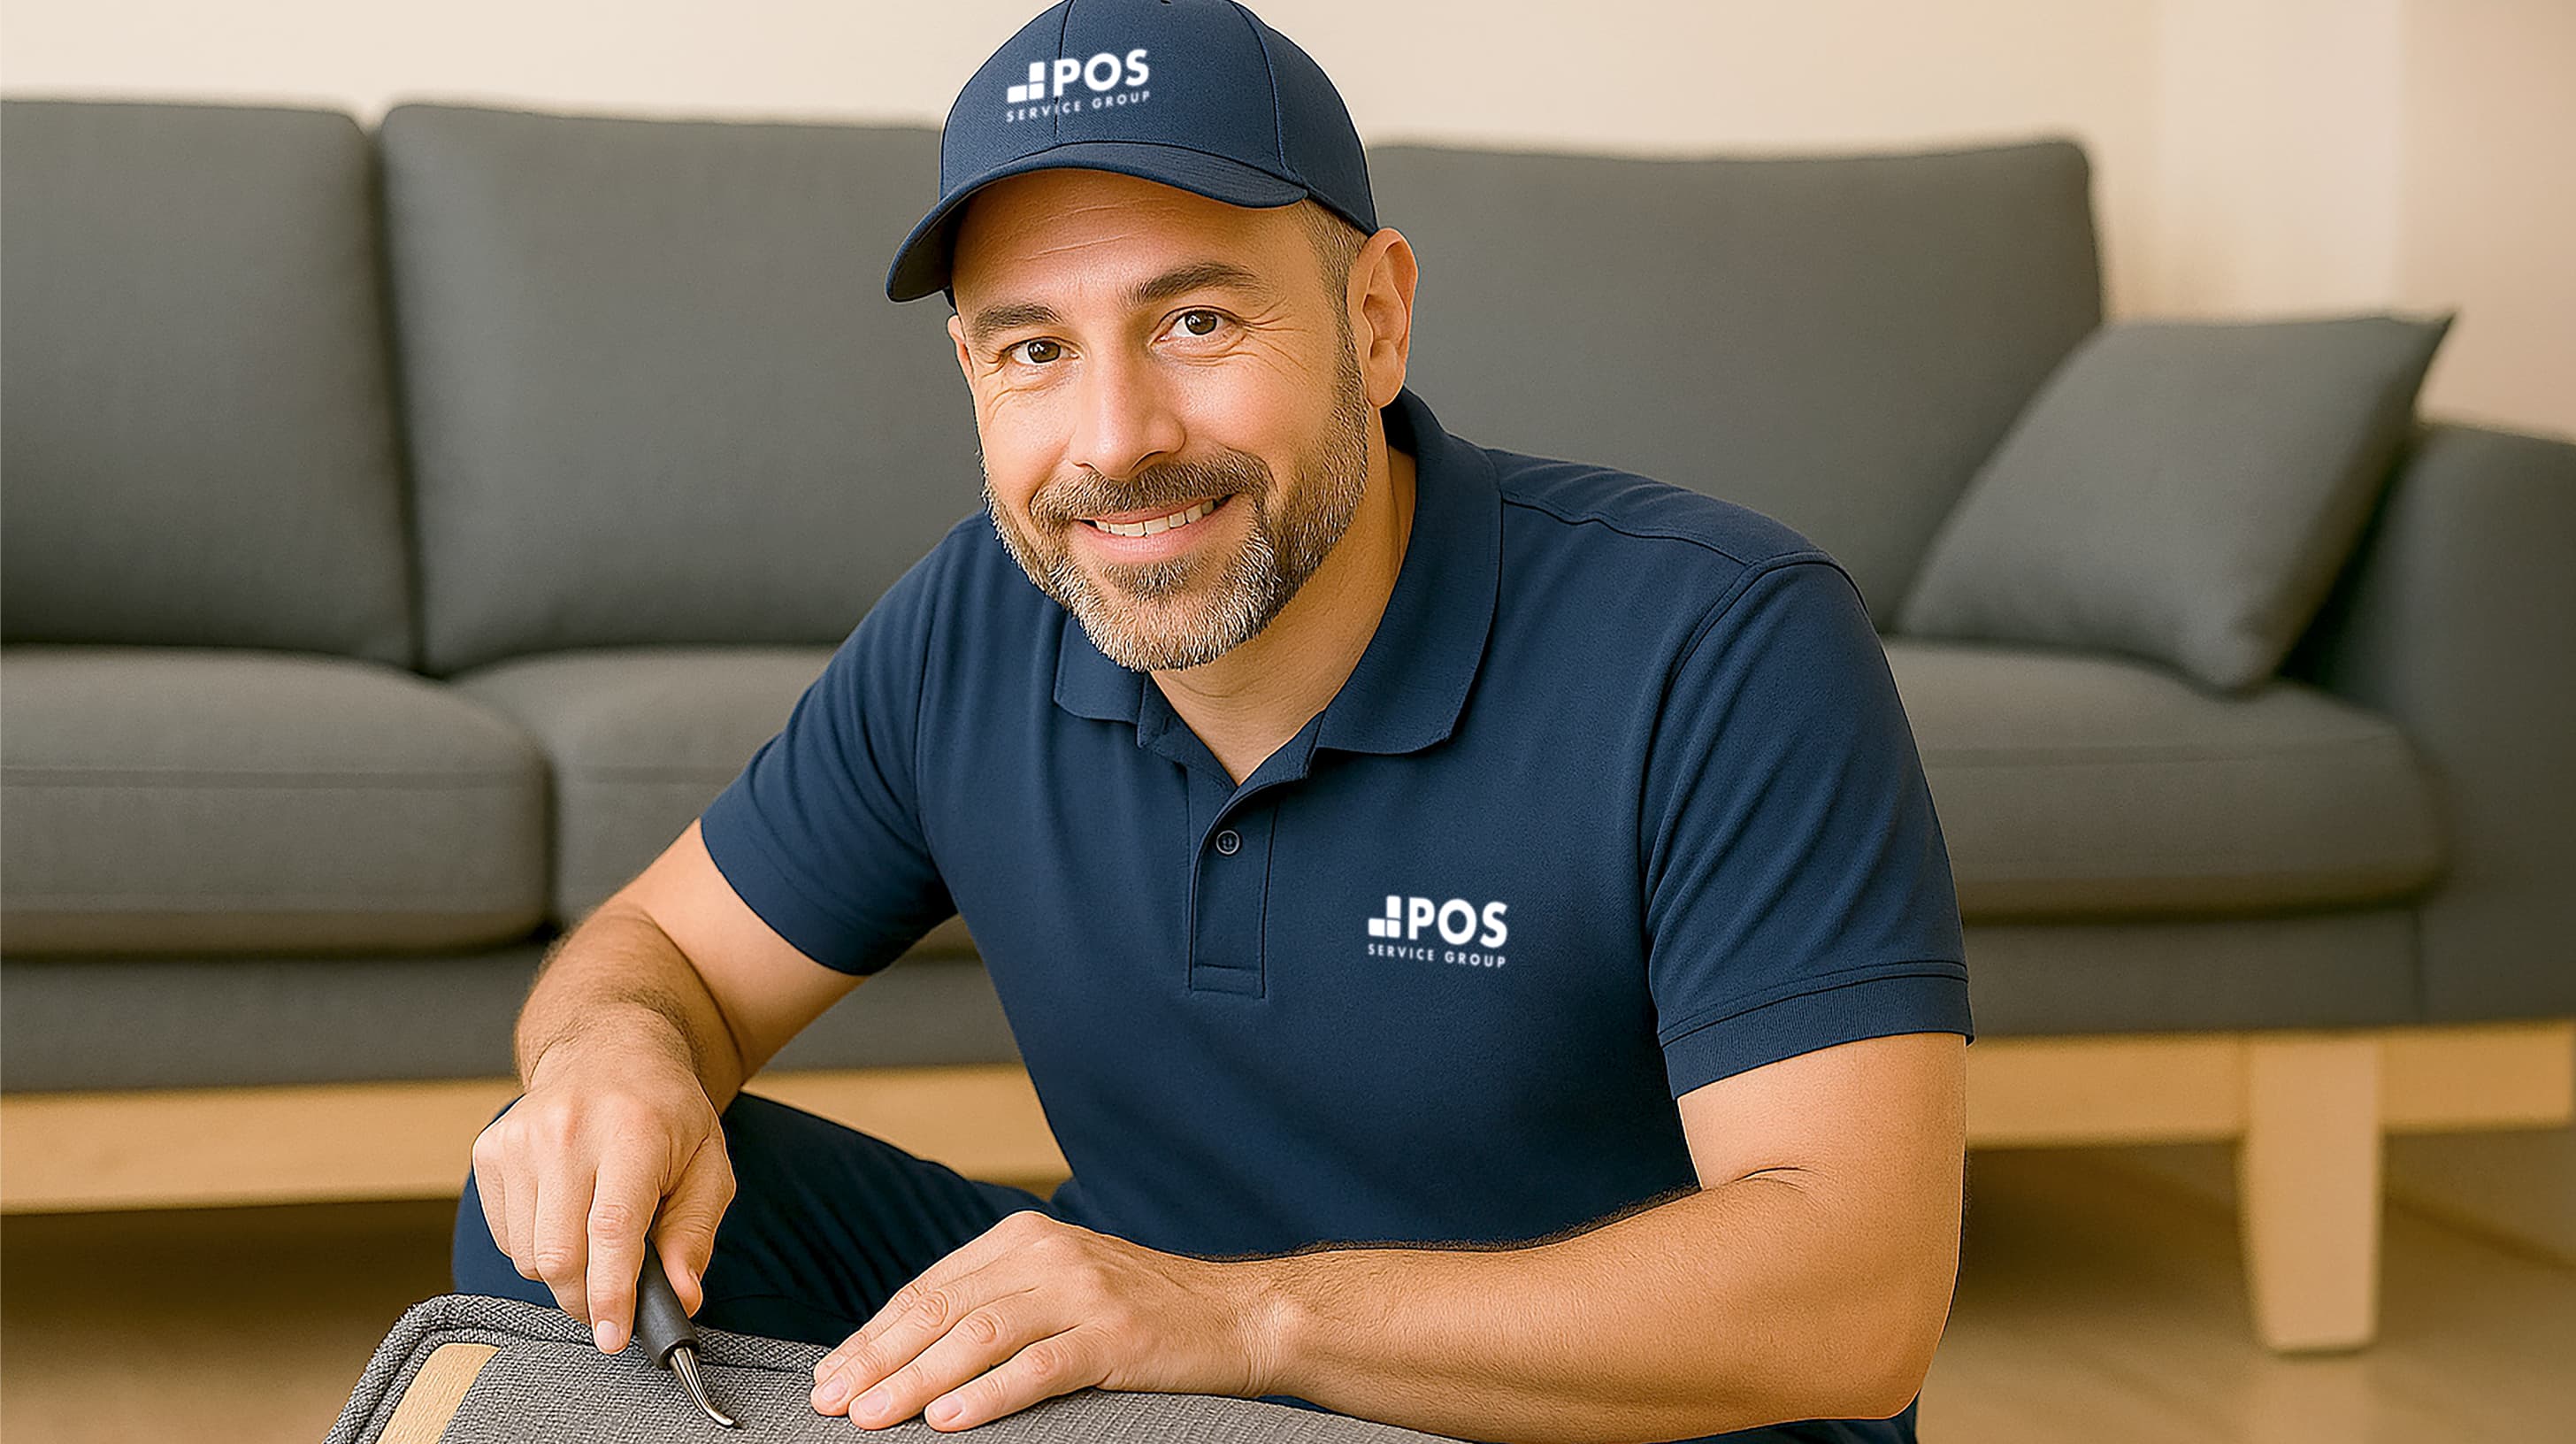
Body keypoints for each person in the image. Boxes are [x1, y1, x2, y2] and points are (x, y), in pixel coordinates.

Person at [451, 2, 1974, 1440]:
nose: (1116, 441)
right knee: (578, 1203)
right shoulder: (971, 626)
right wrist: (611, 1061)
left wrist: (1245, 1322)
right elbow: (656, 962)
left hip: (1579, 1413)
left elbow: (1855, 1294)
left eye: (1193, 322)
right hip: (1160, 1376)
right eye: (1035, 347)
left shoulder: (1718, 638)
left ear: (1375, 322)